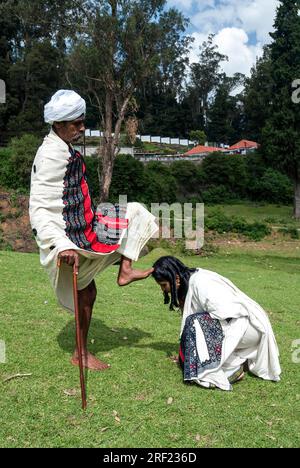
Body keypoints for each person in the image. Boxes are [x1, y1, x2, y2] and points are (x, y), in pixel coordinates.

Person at [29, 89, 158, 371]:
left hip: (87, 227)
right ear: (59, 124)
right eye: (75, 123)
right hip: (70, 240)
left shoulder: (63, 148)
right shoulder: (50, 155)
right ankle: (81, 354)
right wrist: (61, 246)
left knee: (136, 213)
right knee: (86, 293)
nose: (81, 127)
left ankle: (124, 270)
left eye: (82, 120)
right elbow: (39, 208)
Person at [152, 256, 281, 391]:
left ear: (176, 279)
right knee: (195, 330)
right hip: (239, 326)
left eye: (163, 285)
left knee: (195, 325)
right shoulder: (190, 281)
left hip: (247, 327)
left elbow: (229, 311)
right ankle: (232, 365)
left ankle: (228, 372)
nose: (163, 290)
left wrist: (199, 335)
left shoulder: (201, 282)